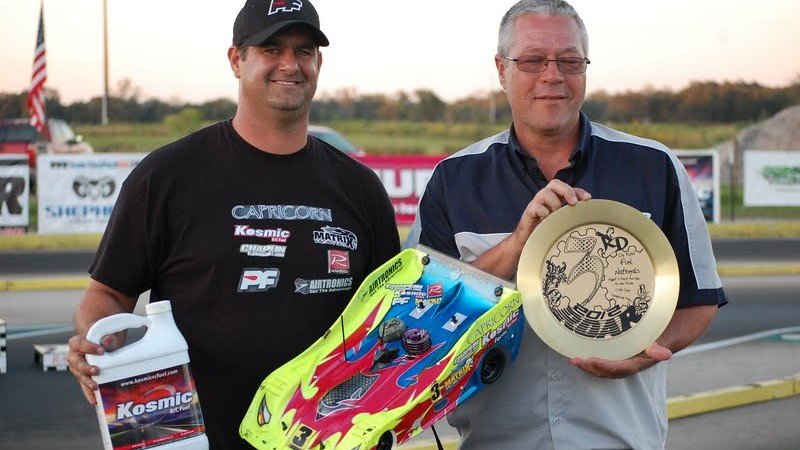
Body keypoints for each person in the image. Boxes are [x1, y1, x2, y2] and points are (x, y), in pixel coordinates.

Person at [66, 1, 400, 448]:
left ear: (318, 63)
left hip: (327, 437)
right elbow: (108, 293)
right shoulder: (166, 176)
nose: (290, 64)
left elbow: (389, 314)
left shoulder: (360, 188)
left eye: (303, 51)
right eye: (271, 48)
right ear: (236, 60)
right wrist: (99, 348)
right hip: (189, 437)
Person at [405, 0, 727, 448]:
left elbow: (697, 301)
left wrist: (645, 353)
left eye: (570, 61)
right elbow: (418, 315)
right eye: (533, 60)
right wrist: (517, 245)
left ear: (586, 68)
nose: (552, 75)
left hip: (619, 439)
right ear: (501, 70)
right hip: (495, 441)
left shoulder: (654, 166)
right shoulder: (454, 179)